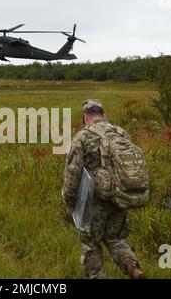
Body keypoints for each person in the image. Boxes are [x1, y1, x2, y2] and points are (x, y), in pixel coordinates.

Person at [62, 99, 145, 279]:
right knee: (114, 238)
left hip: (94, 202)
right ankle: (132, 266)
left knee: (91, 243)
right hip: (119, 197)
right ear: (104, 116)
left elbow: (73, 172)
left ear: (85, 118)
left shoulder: (82, 137)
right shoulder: (121, 133)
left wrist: (69, 201)